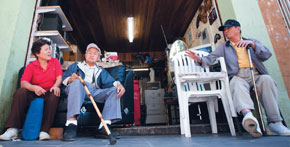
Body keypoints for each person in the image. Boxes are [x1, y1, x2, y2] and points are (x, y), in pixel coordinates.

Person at [185, 19, 290, 138]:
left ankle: (275, 123)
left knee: (267, 80)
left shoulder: (252, 42)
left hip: (256, 74)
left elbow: (266, 54)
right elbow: (210, 59)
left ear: (238, 28)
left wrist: (253, 45)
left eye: (228, 28)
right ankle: (249, 118)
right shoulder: (224, 47)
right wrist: (198, 59)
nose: (226, 31)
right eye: (224, 29)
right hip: (238, 75)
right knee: (235, 83)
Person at [0, 38, 63, 141]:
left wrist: (55, 86)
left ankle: (44, 131)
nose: (49, 51)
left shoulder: (54, 62)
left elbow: (59, 78)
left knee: (55, 94)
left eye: (49, 49)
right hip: (35, 93)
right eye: (46, 49)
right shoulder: (31, 66)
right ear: (38, 53)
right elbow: (23, 83)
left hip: (49, 92)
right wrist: (34, 87)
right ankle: (12, 129)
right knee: (20, 92)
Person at [62, 43, 125, 141]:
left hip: (94, 91)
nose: (91, 55)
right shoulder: (75, 66)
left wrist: (119, 85)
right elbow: (64, 78)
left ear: (98, 58)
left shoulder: (100, 70)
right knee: (77, 82)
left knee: (114, 90)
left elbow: (112, 82)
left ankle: (104, 126)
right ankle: (71, 124)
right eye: (89, 52)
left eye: (95, 54)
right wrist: (70, 79)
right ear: (85, 55)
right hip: (78, 88)